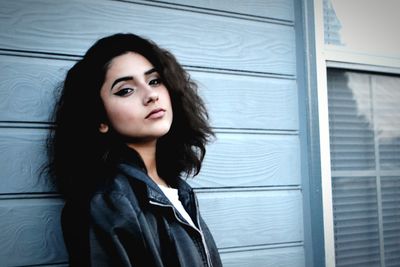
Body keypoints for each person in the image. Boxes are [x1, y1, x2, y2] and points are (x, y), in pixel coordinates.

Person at [47, 33, 222, 267]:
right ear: (100, 119)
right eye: (126, 90)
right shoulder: (107, 202)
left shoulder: (177, 189)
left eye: (155, 81)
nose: (150, 95)